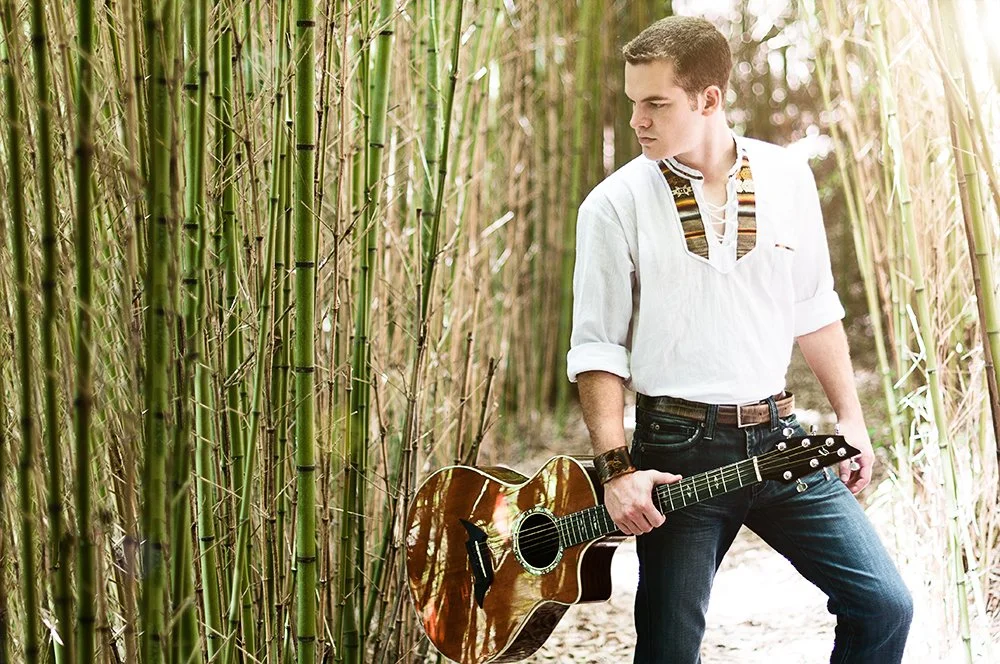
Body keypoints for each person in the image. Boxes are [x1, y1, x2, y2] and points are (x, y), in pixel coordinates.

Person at [566, 15, 913, 664]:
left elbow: (814, 307)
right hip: (676, 452)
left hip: (780, 441)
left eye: (655, 103)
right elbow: (598, 350)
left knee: (885, 606)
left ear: (710, 98)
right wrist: (618, 470)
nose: (638, 119)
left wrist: (851, 418)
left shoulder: (787, 177)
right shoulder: (613, 206)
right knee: (669, 651)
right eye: (632, 102)